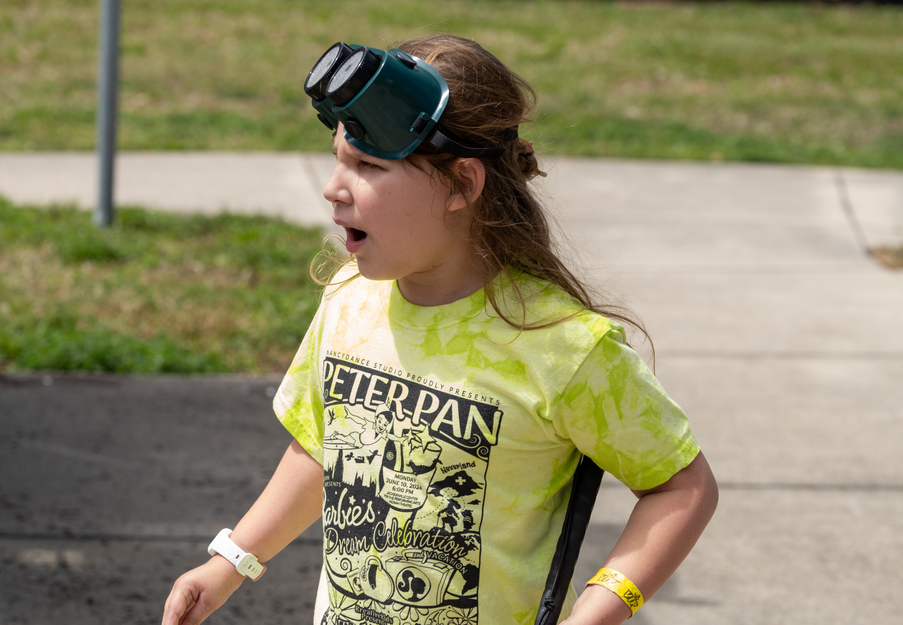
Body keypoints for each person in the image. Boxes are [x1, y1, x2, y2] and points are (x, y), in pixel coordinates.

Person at [161, 34, 718, 625]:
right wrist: (231, 562)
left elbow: (683, 488)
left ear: (462, 184)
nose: (333, 187)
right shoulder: (349, 299)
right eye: (338, 158)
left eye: (368, 166)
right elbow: (323, 449)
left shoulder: (564, 347)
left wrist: (600, 611)